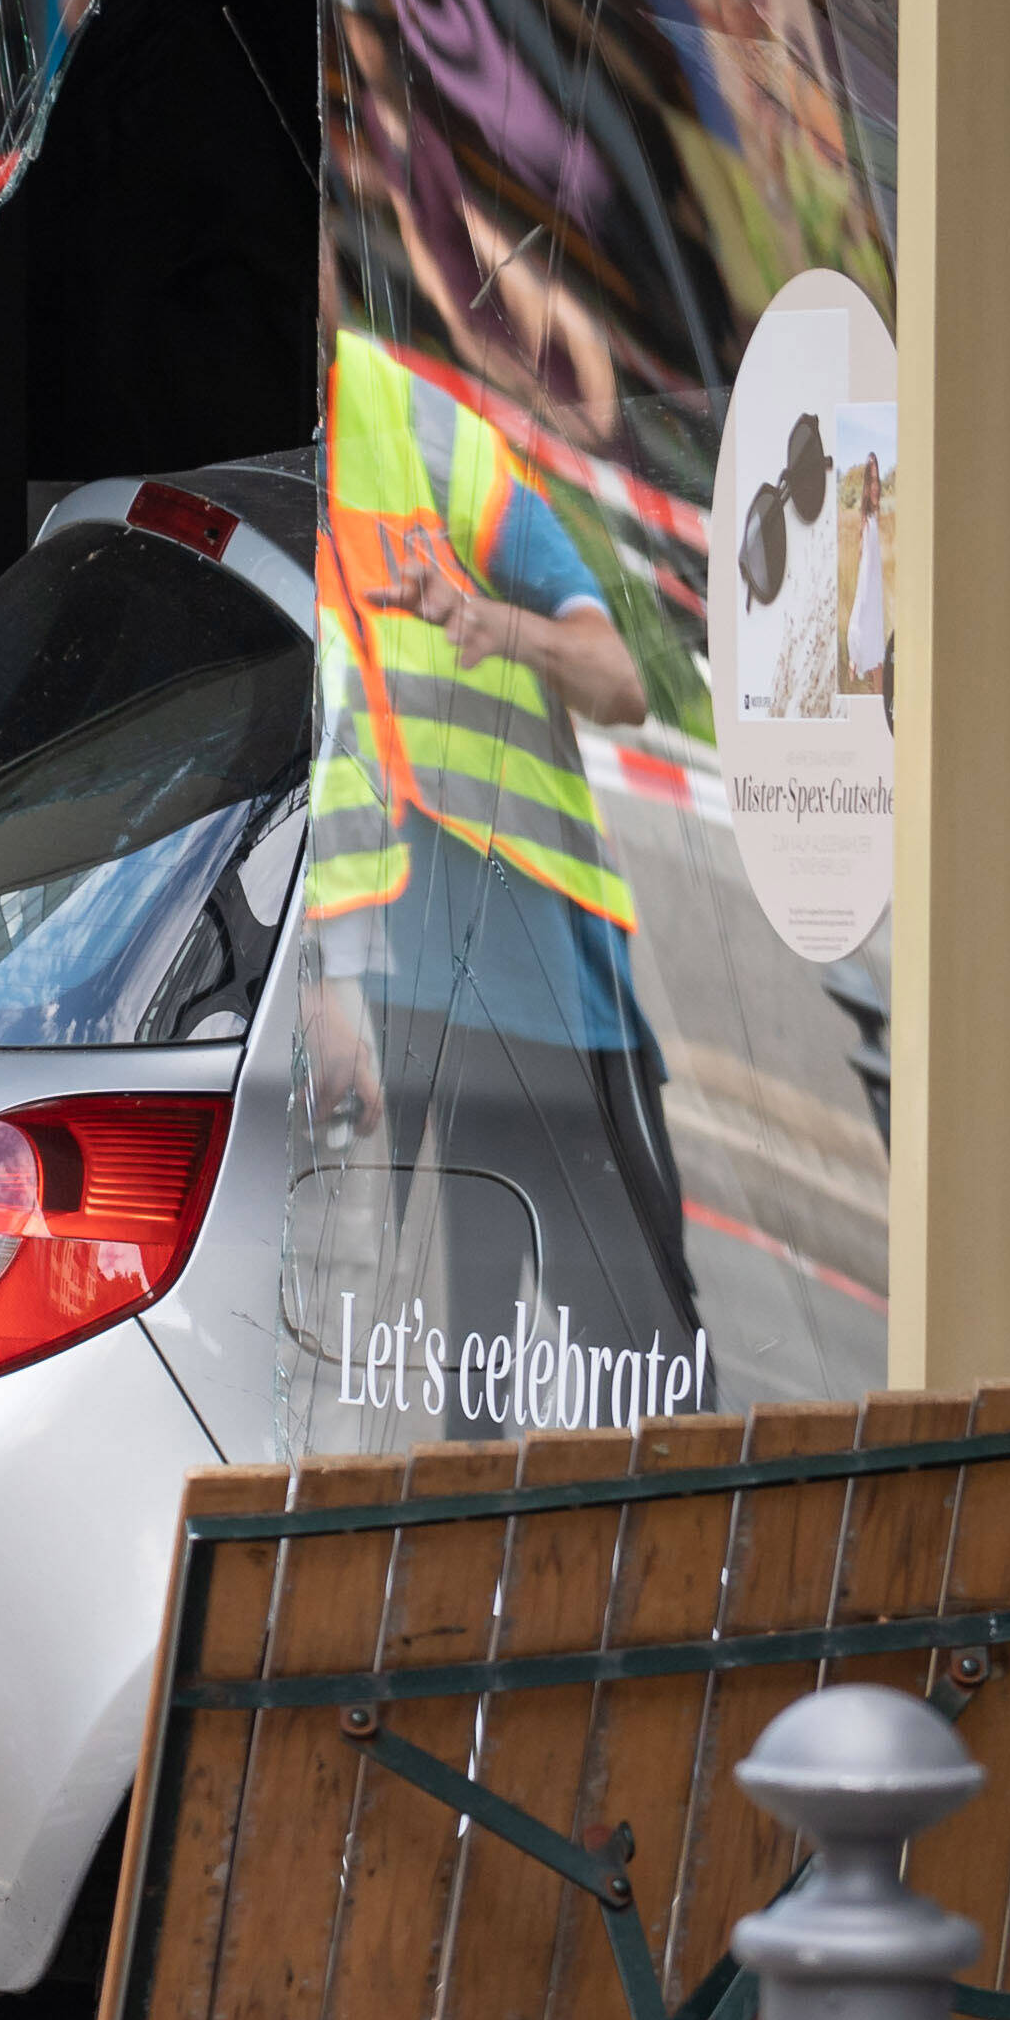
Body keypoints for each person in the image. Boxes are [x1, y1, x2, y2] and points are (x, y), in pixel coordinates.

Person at [299, 324, 705, 1426]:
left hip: (556, 1003)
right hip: (417, 1017)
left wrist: (497, 624)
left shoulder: (418, 430)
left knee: (652, 1381)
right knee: (462, 1400)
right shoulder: (270, 478)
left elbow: (620, 679)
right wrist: (324, 987)